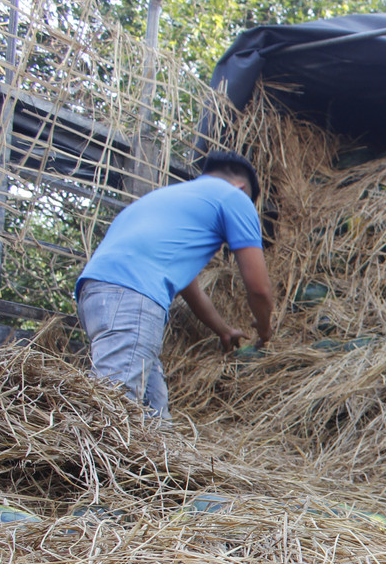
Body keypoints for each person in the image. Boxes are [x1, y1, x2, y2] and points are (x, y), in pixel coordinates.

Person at [76, 151, 275, 418]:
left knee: (154, 417)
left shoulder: (170, 200)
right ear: (241, 188)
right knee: (109, 412)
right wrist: (264, 328)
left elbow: (190, 288)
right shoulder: (234, 197)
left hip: (96, 293)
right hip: (132, 296)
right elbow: (259, 289)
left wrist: (223, 330)